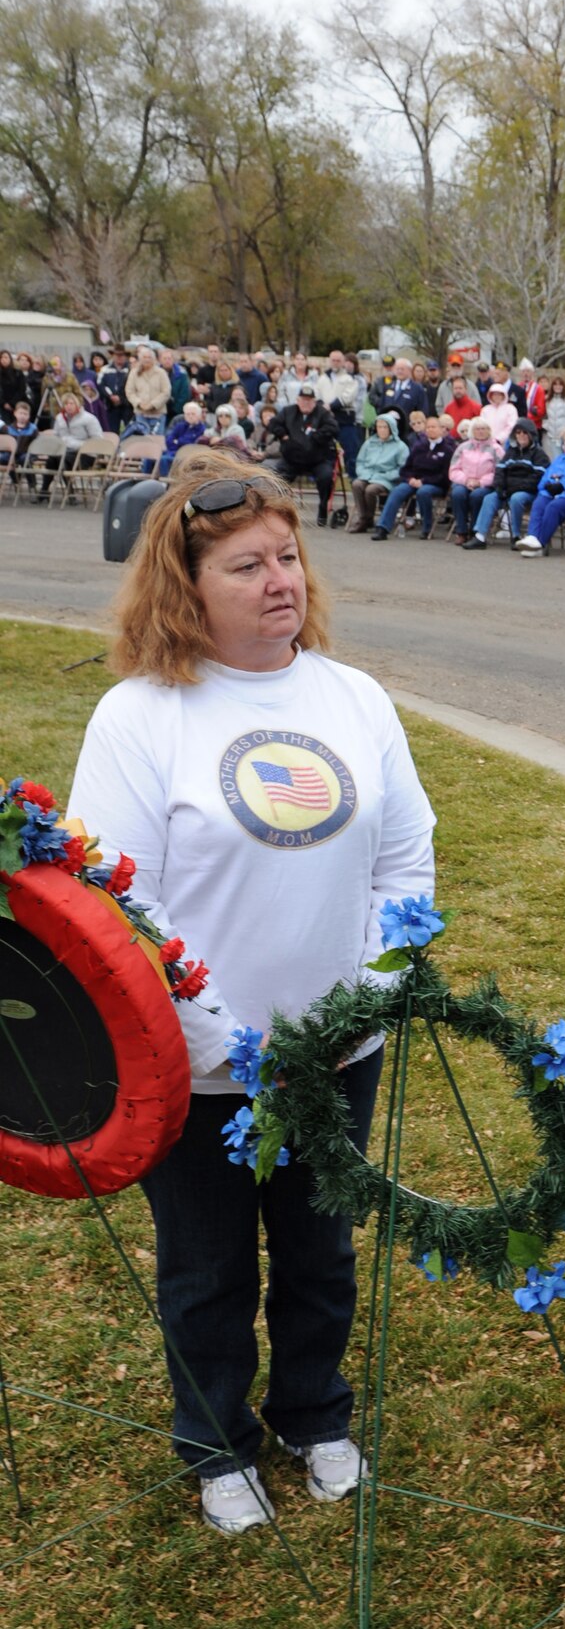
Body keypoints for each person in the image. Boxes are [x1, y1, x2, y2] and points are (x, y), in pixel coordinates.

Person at [68, 458, 435, 1535]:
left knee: (320, 1250)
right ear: (185, 585)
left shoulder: (351, 695)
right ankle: (216, 1438)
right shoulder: (139, 717)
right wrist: (228, 1038)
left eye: (287, 556)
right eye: (245, 565)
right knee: (208, 1264)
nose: (279, 580)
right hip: (194, 1069)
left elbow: (406, 864)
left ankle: (315, 1411)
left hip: (338, 1057)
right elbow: (117, 906)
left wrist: (359, 1007)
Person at [262, 384, 339, 529]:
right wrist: (283, 435)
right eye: (303, 400)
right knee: (277, 477)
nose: (306, 403)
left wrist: (317, 436)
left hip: (317, 459)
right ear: (298, 400)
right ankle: (279, 510)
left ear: (314, 402)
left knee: (326, 476)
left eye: (309, 401)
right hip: (292, 459)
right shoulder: (288, 411)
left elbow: (333, 428)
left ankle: (323, 507)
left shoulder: (322, 413)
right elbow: (273, 423)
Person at [466, 417, 548, 549]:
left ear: (531, 434)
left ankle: (515, 536)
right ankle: (480, 537)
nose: (521, 435)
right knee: (489, 498)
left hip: (527, 492)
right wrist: (499, 487)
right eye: (518, 432)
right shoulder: (511, 452)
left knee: (516, 498)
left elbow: (537, 479)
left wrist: (512, 488)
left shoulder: (539, 454)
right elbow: (500, 471)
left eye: (524, 432)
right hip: (508, 490)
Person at [372, 413, 454, 540]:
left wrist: (424, 481)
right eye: (428, 427)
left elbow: (445, 476)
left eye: (434, 427)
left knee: (423, 492)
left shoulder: (448, 450)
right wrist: (410, 479)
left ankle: (427, 528)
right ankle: (383, 527)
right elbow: (405, 469)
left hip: (435, 484)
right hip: (413, 481)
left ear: (441, 429)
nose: (431, 430)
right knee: (397, 491)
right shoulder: (419, 446)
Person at [516, 423, 565, 554]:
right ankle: (532, 537)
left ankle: (539, 544)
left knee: (554, 507)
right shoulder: (560, 458)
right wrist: (547, 486)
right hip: (556, 494)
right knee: (539, 503)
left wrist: (562, 485)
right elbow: (547, 476)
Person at [27, 389, 104, 497]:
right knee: (52, 460)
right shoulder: (59, 419)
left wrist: (71, 444)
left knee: (62, 459)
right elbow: (56, 437)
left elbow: (97, 440)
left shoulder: (89, 419)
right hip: (65, 453)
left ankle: (64, 493)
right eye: (66, 404)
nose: (69, 406)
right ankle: (46, 492)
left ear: (77, 404)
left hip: (86, 454)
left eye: (71, 403)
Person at [348, 412, 408, 532]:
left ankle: (366, 519)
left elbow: (403, 468)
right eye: (379, 427)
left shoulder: (400, 446)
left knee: (371, 490)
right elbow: (360, 461)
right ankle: (364, 518)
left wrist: (388, 476)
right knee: (357, 484)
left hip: (386, 478)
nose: (382, 430)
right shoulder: (369, 443)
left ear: (391, 428)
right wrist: (362, 473)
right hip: (367, 475)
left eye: (385, 427)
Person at [446, 415, 500, 545]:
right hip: (464, 481)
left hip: (485, 484)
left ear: (489, 430)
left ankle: (475, 531)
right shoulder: (463, 447)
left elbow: (498, 472)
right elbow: (453, 469)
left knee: (477, 496)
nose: (480, 431)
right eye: (477, 429)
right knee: (458, 494)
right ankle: (461, 531)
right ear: (472, 431)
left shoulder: (496, 449)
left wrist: (480, 482)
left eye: (483, 428)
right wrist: (466, 481)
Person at [124, 347, 171, 438]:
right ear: (140, 359)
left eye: (149, 357)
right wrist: (139, 403)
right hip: (140, 413)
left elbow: (166, 392)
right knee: (142, 441)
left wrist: (152, 404)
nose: (147, 359)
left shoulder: (161, 373)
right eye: (144, 357)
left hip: (158, 414)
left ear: (154, 359)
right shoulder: (134, 373)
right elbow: (129, 391)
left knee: (157, 441)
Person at [154, 401, 207, 477]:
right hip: (173, 452)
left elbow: (191, 445)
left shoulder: (202, 429)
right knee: (150, 458)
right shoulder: (180, 426)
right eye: (187, 414)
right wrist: (179, 443)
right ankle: (147, 481)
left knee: (163, 459)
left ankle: (164, 481)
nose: (190, 416)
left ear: (198, 415)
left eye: (193, 414)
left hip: (187, 455)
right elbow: (169, 441)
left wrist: (177, 441)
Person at [542, 374, 565, 454]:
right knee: (557, 460)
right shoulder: (548, 400)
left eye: (560, 384)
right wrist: (547, 427)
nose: (557, 386)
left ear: (563, 386)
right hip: (553, 437)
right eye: (555, 384)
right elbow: (545, 417)